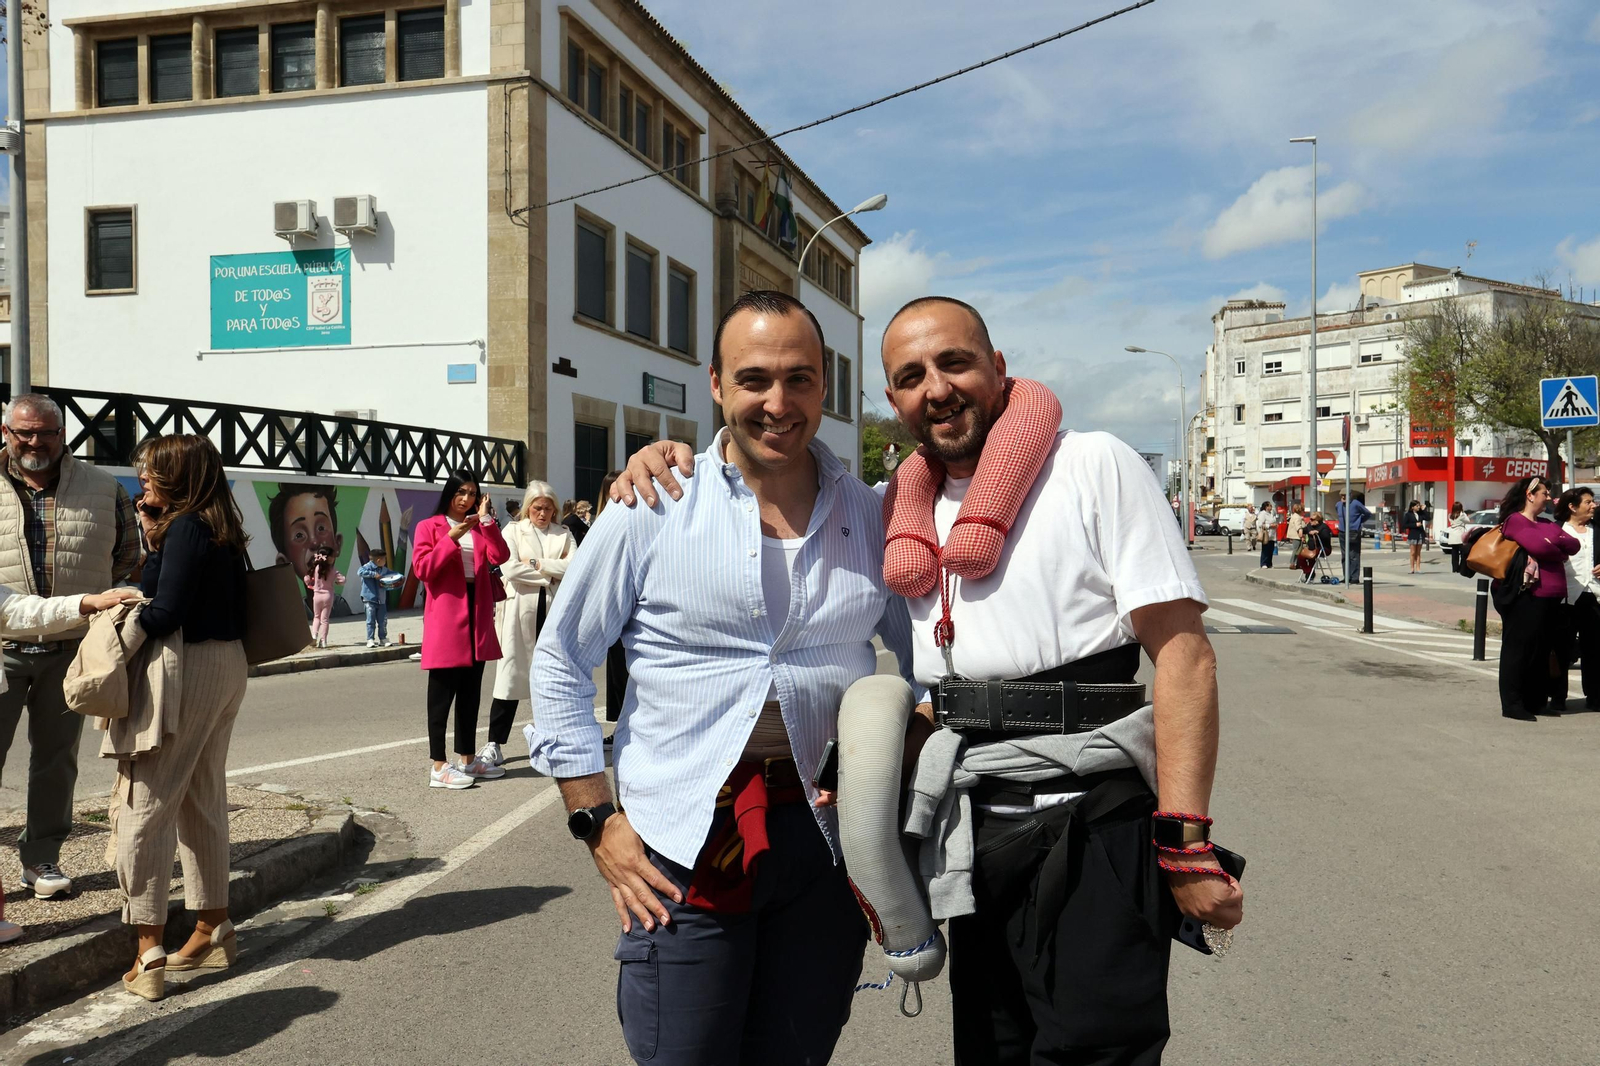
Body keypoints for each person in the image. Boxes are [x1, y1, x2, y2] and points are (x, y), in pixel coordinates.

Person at [616, 295, 1242, 1065]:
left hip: (1094, 823)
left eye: (955, 363)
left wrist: (1185, 841)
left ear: (998, 368)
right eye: (911, 376)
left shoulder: (1093, 464)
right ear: (893, 401)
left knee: (1097, 1052)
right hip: (971, 837)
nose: (936, 388)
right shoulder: (893, 511)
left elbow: (1185, 656)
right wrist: (661, 457)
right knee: (990, 1049)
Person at [531, 291, 917, 1066]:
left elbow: (926, 663)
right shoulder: (653, 504)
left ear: (825, 390)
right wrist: (594, 820)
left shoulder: (871, 514)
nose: (778, 402)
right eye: (754, 380)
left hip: (825, 842)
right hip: (684, 840)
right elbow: (561, 658)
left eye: (800, 379)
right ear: (716, 385)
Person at [116, 433, 251, 1002]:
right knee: (201, 796)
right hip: (226, 663)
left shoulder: (188, 527)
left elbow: (165, 607)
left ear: (177, 475)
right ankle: (211, 925)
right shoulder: (219, 524)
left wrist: (116, 634)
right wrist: (153, 534)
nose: (143, 479)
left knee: (146, 799)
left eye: (151, 471)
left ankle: (148, 951)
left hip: (185, 665)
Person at [0, 394, 141, 901]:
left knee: (57, 760)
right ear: (6, 433)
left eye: (46, 433)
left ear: (64, 435)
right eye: (24, 433)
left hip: (72, 650)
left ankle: (41, 859)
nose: (35, 442)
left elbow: (128, 558)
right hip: (3, 647)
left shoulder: (103, 489)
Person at [0, 584, 143, 941]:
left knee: (57, 757)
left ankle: (40, 857)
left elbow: (15, 608)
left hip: (66, 642)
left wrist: (85, 602)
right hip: (11, 650)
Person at [414, 471, 510, 789]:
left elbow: (501, 556)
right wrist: (451, 537)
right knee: (441, 696)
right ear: (449, 493)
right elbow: (423, 569)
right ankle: (439, 765)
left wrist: (485, 522)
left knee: (471, 693)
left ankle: (467, 760)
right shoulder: (429, 527)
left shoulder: (480, 527)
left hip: (478, 610)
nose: (466, 498)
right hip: (446, 613)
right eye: (461, 492)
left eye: (472, 493)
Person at [480, 481, 574, 767]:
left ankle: (553, 740)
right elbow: (509, 566)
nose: (542, 513)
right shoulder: (512, 530)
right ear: (527, 507)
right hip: (520, 610)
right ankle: (494, 742)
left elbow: (575, 565)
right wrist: (549, 573)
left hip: (552, 611)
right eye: (537, 508)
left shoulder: (564, 533)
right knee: (510, 678)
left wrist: (535, 564)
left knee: (552, 680)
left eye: (547, 508)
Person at [1497, 476, 1578, 722]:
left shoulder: (1546, 523)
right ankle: (1513, 704)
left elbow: (1573, 544)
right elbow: (1541, 548)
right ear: (1530, 495)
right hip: (1526, 596)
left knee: (1542, 652)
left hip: (1552, 597)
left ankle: (1537, 701)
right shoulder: (1515, 521)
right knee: (1518, 650)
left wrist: (1554, 546)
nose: (1548, 497)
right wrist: (1558, 550)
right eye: (1544, 492)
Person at [266, 482, 353, 619]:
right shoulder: (294, 615)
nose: (314, 542)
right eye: (299, 535)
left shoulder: (340, 607)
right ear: (284, 561)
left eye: (321, 528)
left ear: (337, 544)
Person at [1555, 487, 1600, 712]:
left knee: (1595, 650)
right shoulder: (1557, 532)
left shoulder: (1597, 531)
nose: (1593, 505)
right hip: (1566, 598)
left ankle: (1595, 696)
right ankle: (1558, 697)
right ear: (1572, 507)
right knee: (1562, 649)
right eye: (1588, 502)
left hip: (1594, 596)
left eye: (1593, 502)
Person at [357, 548, 401, 648]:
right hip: (369, 599)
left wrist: (399, 577)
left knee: (383, 621)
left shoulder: (384, 569)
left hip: (382, 599)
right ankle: (370, 639)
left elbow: (392, 574)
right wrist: (373, 575)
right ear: (378, 560)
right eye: (384, 559)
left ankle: (383, 638)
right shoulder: (366, 567)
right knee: (370, 620)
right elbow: (359, 572)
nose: (385, 561)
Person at [305, 544, 344, 649]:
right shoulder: (333, 570)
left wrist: (312, 584)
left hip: (317, 596)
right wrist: (337, 582)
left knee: (316, 617)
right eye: (333, 556)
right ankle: (324, 641)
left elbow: (307, 579)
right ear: (329, 558)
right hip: (328, 595)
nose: (334, 558)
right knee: (325, 619)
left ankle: (314, 635)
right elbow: (342, 580)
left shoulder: (316, 568)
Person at [1338, 491, 1374, 583]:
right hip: (1342, 532)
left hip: (1353, 532)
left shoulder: (1356, 504)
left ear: (1350, 495)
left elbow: (1368, 514)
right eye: (1341, 495)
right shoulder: (1338, 505)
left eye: (1344, 495)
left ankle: (1354, 578)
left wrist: (1359, 521)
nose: (1343, 497)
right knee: (1344, 555)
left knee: (1353, 555)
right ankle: (1346, 577)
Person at [1298, 511, 1329, 583]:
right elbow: (1305, 530)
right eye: (1310, 519)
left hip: (1322, 548)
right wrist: (1300, 530)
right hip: (1311, 548)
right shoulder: (1309, 526)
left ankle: (1309, 576)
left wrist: (1318, 532)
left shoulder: (1324, 527)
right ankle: (1308, 572)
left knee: (1312, 557)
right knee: (1300, 557)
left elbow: (1326, 537)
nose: (1310, 521)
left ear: (1317, 521)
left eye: (1312, 519)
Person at [1402, 500, 1427, 574]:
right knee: (1413, 552)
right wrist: (1415, 525)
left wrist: (1424, 510)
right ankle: (1412, 568)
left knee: (1418, 552)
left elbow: (1428, 517)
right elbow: (1404, 525)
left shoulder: (1420, 514)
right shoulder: (1408, 515)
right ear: (1412, 507)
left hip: (1420, 534)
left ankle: (1418, 568)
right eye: (1417, 506)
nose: (1418, 507)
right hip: (1413, 534)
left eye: (1419, 505)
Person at [1446, 501, 1469, 572]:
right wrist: (1463, 513)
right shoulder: (1462, 515)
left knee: (1454, 553)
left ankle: (1455, 568)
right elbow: (1468, 521)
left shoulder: (1450, 515)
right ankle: (1461, 567)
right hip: (1459, 534)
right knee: (1462, 553)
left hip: (1453, 534)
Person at [1256, 500, 1278, 568]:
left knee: (1271, 549)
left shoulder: (1271, 514)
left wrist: (1275, 525)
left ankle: (1269, 563)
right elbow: (1260, 524)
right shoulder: (1263, 514)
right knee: (1265, 549)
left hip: (1272, 535)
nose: (1271, 507)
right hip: (1266, 534)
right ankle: (1264, 563)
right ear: (1266, 507)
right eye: (1269, 505)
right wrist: (1269, 526)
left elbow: (1274, 520)